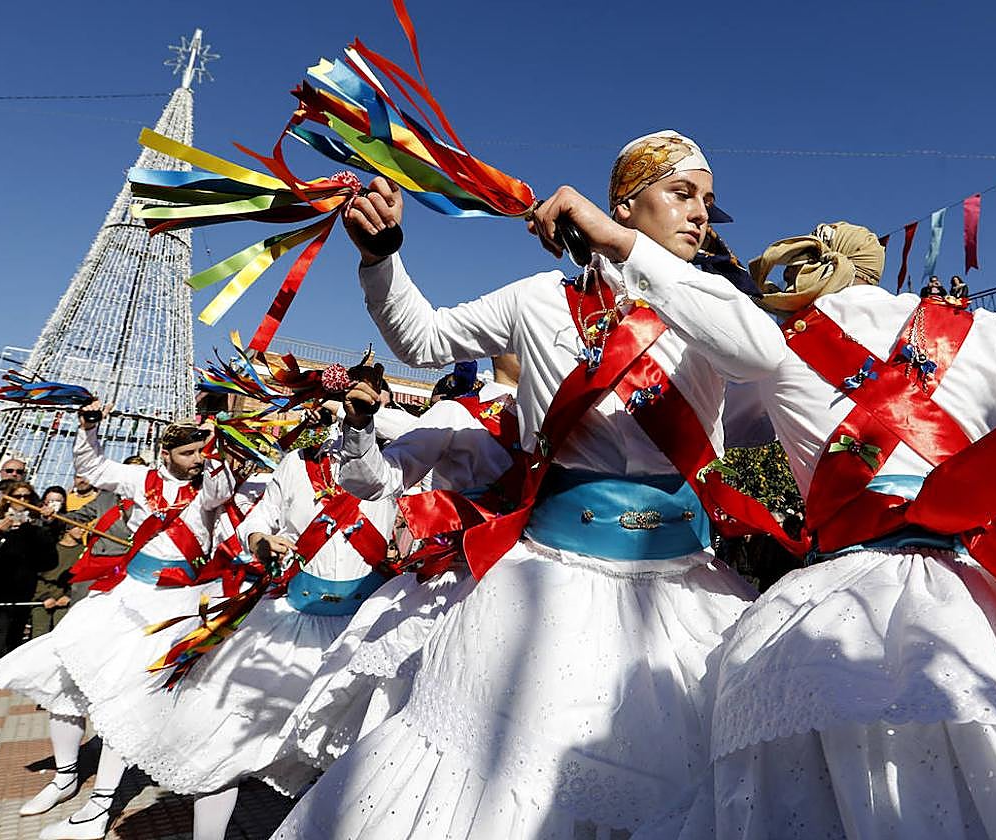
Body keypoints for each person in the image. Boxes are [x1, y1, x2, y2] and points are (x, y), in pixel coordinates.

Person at [272, 130, 783, 838]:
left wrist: (626, 250)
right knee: (510, 784)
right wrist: (381, 260)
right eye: (682, 194)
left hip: (683, 584)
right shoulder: (539, 299)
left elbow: (760, 351)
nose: (700, 214)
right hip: (551, 582)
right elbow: (422, 341)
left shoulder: (706, 303)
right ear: (625, 205)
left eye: (708, 201)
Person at [642, 221, 996, 839]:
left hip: (833, 596)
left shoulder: (772, 351)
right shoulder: (983, 331)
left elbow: (711, 430)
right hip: (973, 577)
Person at [91, 409, 399, 840]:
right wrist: (260, 541)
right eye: (328, 410)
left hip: (362, 628)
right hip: (290, 621)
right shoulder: (295, 465)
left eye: (345, 411)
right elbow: (259, 518)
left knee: (346, 756)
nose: (335, 419)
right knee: (224, 738)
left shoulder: (397, 463)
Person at [0, 404, 233, 840]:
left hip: (172, 606)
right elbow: (94, 466)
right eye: (189, 453)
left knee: (124, 699)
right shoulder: (140, 479)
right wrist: (88, 427)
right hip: (123, 596)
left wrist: (215, 443)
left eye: (202, 451)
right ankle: (65, 778)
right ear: (166, 453)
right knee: (63, 677)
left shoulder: (210, 488)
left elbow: (220, 488)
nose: (197, 459)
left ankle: (100, 804)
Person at [282, 353, 522, 769]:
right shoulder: (456, 412)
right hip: (455, 589)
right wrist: (359, 426)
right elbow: (381, 480)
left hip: (528, 593)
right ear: (505, 346)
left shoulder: (565, 414)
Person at [0, 481, 57, 659]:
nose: (21, 500)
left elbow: (48, 561)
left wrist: (44, 526)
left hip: (22, 589)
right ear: (7, 499)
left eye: (26, 497)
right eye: (17, 496)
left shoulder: (35, 526)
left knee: (13, 636)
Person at [31, 485, 80, 636]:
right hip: (42, 596)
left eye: (58, 501)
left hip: (65, 598)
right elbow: (38, 573)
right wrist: (44, 596)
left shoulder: (81, 550)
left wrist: (69, 596)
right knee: (39, 633)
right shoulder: (42, 535)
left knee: (61, 632)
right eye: (50, 501)